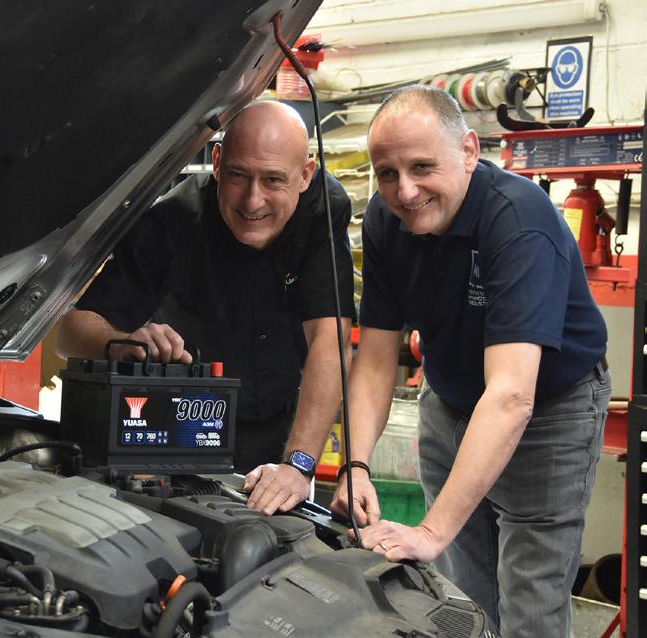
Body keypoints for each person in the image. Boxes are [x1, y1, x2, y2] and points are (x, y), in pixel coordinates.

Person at [331, 84, 609, 636]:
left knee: (530, 606)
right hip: (451, 400)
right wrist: (355, 464)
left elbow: (511, 395)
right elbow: (376, 360)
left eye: (422, 167)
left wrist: (430, 532)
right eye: (387, 173)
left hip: (548, 411)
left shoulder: (518, 219)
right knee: (464, 601)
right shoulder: (386, 220)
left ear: (468, 151)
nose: (405, 190)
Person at [55, 100, 354, 514]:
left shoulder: (324, 209)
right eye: (238, 175)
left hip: (285, 432)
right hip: (185, 435)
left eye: (273, 180)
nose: (253, 200)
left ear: (305, 175)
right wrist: (120, 343)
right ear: (216, 162)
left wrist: (298, 464)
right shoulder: (172, 222)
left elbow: (330, 339)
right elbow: (69, 333)